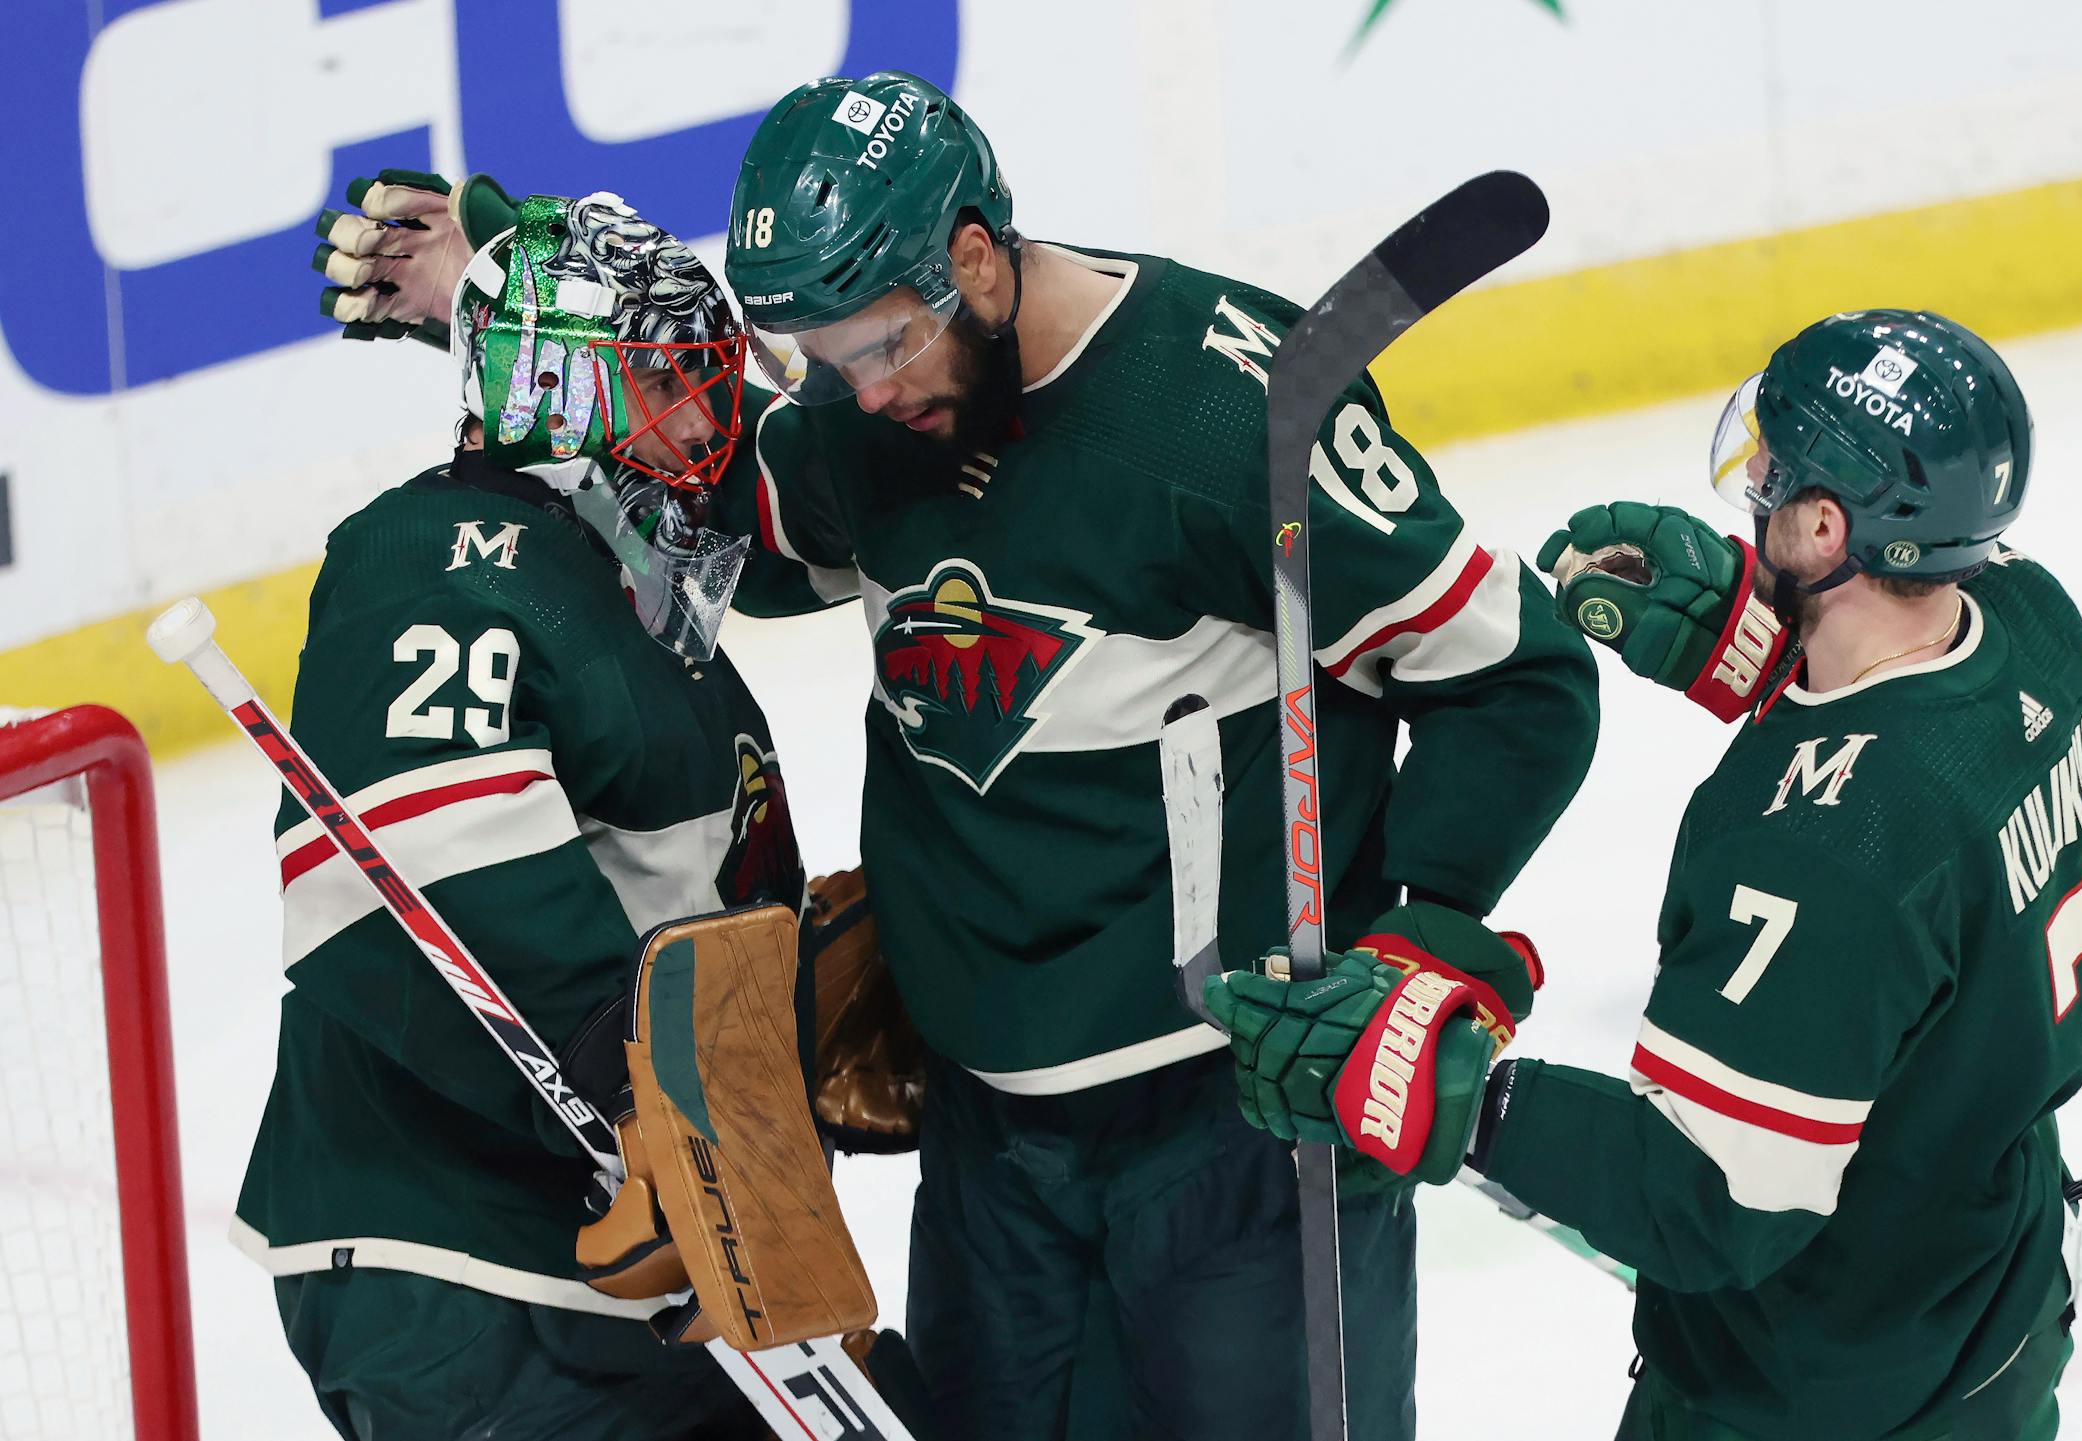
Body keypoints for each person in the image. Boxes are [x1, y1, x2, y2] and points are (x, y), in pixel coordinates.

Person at [311, 70, 1601, 1440]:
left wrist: (1409, 949)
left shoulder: (1222, 417)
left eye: (882, 348)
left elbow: (1517, 679)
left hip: (1240, 1136)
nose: (855, 397)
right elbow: (731, 497)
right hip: (988, 1151)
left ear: (975, 260)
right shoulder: (867, 428)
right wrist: (505, 302)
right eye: (816, 358)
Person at [1206, 309, 2082, 1440]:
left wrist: (1456, 1095)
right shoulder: (2036, 624)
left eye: (1777, 473)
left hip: (1819, 1388)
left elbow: (1719, 1197)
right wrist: (1762, 641)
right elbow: (1927, 753)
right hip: (1995, 1305)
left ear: (1828, 529)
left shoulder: (1823, 855)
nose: (1757, 485)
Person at [244, 190, 806, 1438]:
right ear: (550, 395)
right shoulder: (433, 559)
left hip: (626, 1273)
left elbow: (671, 910)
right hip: (463, 1272)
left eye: (705, 380)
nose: (706, 423)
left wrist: (798, 1015)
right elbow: (432, 890)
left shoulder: (625, 591)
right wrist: (665, 1113)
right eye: (665, 382)